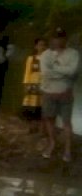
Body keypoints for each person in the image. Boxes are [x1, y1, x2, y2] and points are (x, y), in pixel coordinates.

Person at [40, 28, 79, 163]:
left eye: (60, 37)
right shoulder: (45, 55)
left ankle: (67, 149)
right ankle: (52, 143)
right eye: (55, 38)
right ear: (52, 40)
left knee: (66, 122)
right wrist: (63, 72)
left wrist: (55, 70)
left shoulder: (73, 54)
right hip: (48, 91)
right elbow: (45, 73)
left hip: (65, 93)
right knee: (49, 119)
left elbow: (72, 71)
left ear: (65, 39)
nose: (58, 40)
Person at [22, 38, 47, 121]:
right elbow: (27, 72)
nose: (42, 47)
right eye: (40, 45)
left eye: (44, 45)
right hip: (32, 83)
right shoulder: (31, 58)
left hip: (44, 84)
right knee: (31, 102)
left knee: (41, 103)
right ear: (36, 46)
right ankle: (30, 122)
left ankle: (40, 124)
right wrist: (26, 84)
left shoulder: (48, 59)